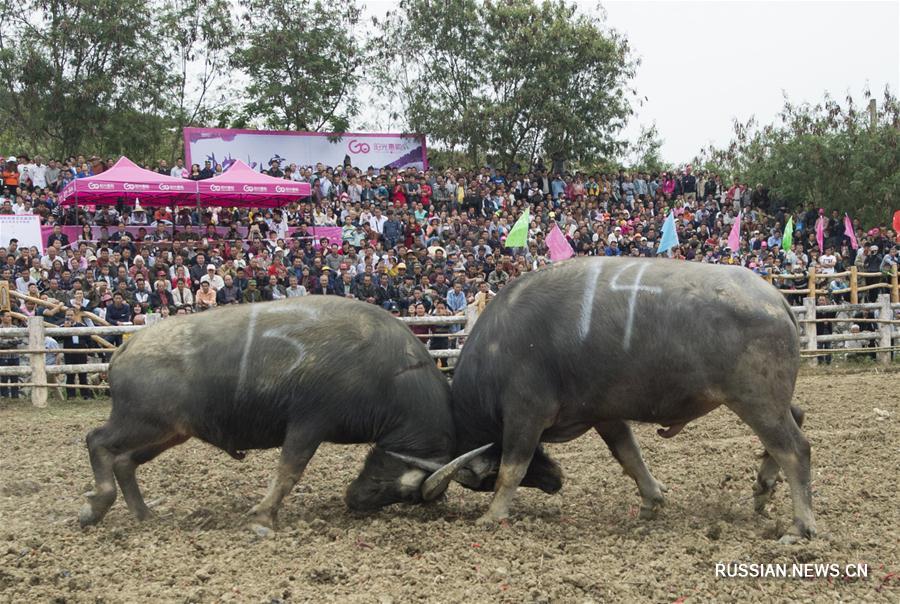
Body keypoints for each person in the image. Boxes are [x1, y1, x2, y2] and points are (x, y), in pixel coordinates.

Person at [60, 309, 93, 399]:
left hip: (81, 353)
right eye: (67, 315)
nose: (69, 317)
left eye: (71, 315)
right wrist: (65, 330)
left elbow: (88, 339)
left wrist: (90, 351)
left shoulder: (82, 326)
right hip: (69, 354)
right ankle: (71, 396)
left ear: (75, 316)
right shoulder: (62, 327)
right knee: (70, 375)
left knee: (83, 375)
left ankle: (86, 395)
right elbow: (57, 337)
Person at [0, 311, 22, 398]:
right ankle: (5, 396)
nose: (10, 318)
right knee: (4, 377)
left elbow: (19, 340)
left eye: (10, 316)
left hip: (15, 356)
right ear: (1, 318)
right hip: (3, 356)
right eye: (7, 316)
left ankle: (15, 396)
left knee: (15, 376)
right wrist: (12, 341)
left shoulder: (15, 327)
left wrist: (6, 341)